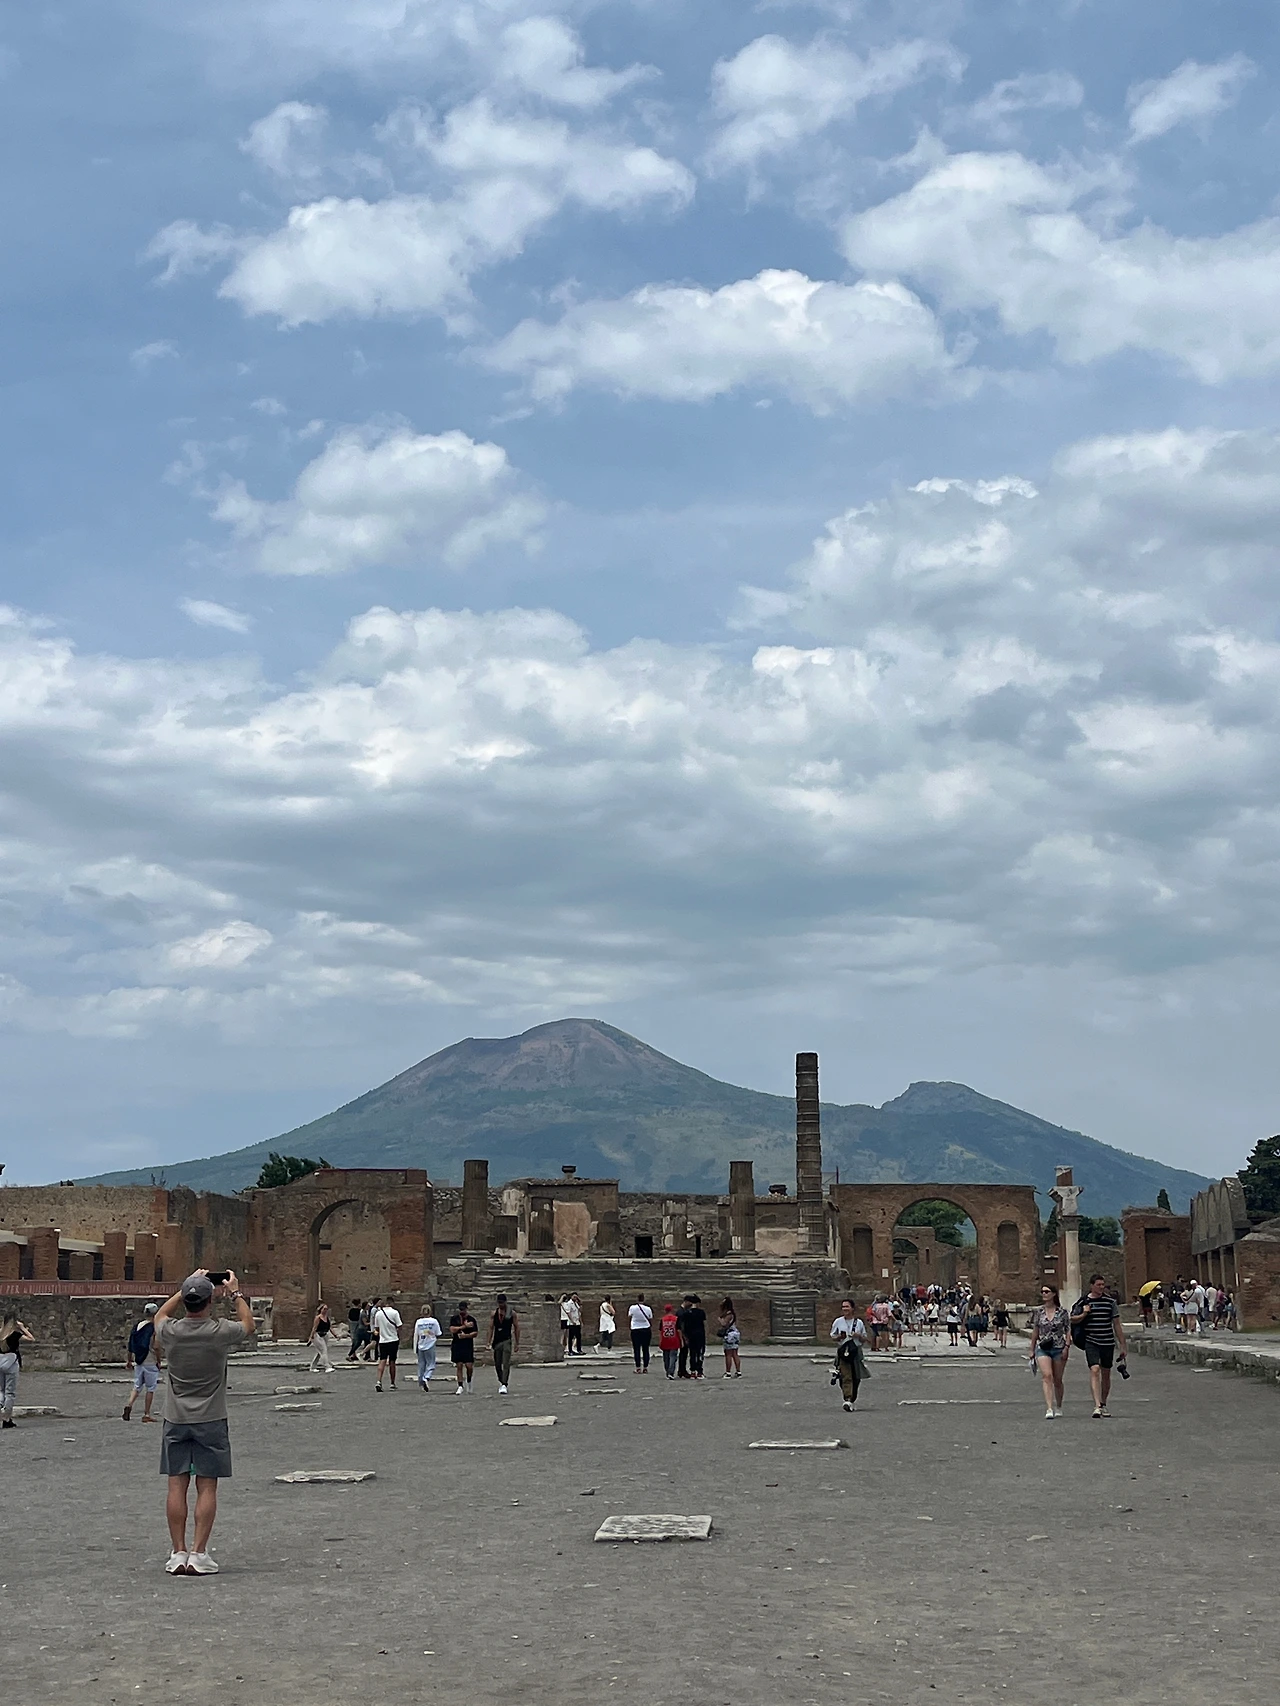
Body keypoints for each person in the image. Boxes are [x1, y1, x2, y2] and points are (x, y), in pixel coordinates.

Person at [154, 1268, 255, 1575]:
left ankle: (177, 1552)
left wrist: (186, 1286)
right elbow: (248, 1324)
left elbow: (160, 1314)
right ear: (211, 1300)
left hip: (176, 1417)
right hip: (211, 1417)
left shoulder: (171, 1332)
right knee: (207, 1486)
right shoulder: (219, 1331)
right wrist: (235, 1292)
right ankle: (198, 1553)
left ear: (186, 1300)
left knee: (176, 1484)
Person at [1071, 1273, 1128, 1419]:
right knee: (1094, 1369)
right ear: (1092, 1286)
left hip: (1107, 1341)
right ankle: (1097, 1405)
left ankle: (1103, 1403)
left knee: (1106, 1373)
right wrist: (1084, 1314)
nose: (1101, 1287)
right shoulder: (1083, 1302)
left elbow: (1116, 1324)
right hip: (1091, 1341)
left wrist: (1123, 1345)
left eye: (1103, 1285)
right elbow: (1072, 1319)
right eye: (1098, 1285)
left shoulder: (1110, 1302)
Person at [1028, 1283, 1070, 1418]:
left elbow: (1068, 1329)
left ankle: (1059, 1406)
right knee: (1047, 1376)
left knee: (1057, 1380)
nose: (1044, 1294)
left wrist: (1067, 1346)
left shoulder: (1062, 1312)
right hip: (1043, 1347)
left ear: (1053, 1294)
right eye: (1042, 1292)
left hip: (1059, 1347)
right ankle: (1049, 1408)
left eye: (1046, 1292)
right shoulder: (1038, 1312)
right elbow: (1036, 1330)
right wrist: (1032, 1348)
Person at [123, 1301, 164, 1423]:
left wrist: (129, 1360)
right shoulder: (154, 1328)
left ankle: (129, 1404)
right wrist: (158, 1361)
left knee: (137, 1386)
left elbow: (131, 1344)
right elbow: (156, 1346)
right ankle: (146, 1413)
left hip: (139, 1361)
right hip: (150, 1361)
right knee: (150, 1388)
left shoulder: (137, 1326)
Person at [830, 1299, 869, 1413]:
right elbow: (832, 1336)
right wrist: (839, 1337)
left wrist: (858, 1336)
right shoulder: (838, 1321)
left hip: (855, 1351)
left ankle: (852, 1399)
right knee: (845, 1376)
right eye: (843, 1307)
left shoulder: (859, 1323)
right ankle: (847, 1398)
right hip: (843, 1351)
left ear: (852, 1308)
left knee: (856, 1377)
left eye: (847, 1306)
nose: (844, 1309)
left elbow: (864, 1339)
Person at [0, 1313, 35, 1429]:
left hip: (0, 1362)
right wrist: (23, 1328)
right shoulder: (15, 1334)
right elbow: (31, 1339)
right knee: (10, 1392)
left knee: (1, 1390)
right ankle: (6, 1419)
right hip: (11, 1364)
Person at [488, 1294, 520, 1394]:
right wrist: (488, 1341)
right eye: (499, 1303)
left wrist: (517, 1343)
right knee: (497, 1364)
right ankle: (501, 1380)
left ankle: (504, 1383)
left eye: (502, 1303)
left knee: (506, 1363)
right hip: (497, 1341)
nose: (501, 1305)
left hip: (506, 1340)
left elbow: (516, 1327)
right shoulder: (494, 1314)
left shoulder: (511, 1313)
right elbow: (491, 1328)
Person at [371, 1295, 402, 1391]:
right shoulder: (395, 1312)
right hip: (393, 1340)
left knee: (382, 1360)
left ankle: (378, 1381)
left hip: (383, 1340)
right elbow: (399, 1325)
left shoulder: (378, 1313)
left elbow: (377, 1328)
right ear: (392, 1303)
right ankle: (392, 1383)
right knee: (392, 1361)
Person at [449, 1300, 478, 1393]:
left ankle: (469, 1380)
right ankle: (460, 1385)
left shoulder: (471, 1319)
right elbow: (452, 1329)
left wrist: (466, 1336)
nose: (462, 1311)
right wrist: (464, 1327)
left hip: (467, 1344)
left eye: (463, 1310)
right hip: (457, 1344)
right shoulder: (454, 1319)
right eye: (461, 1310)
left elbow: (475, 1333)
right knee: (459, 1365)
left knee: (469, 1366)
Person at [413, 1302, 442, 1391]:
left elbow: (416, 1334)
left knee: (421, 1364)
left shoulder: (418, 1322)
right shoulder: (434, 1321)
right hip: (430, 1344)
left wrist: (415, 1347)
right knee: (431, 1363)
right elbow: (438, 1333)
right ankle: (426, 1377)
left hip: (420, 1344)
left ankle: (421, 1379)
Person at [680, 1294, 707, 1380]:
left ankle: (692, 1372)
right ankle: (699, 1371)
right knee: (700, 1354)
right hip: (700, 1335)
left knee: (692, 1354)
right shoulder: (701, 1312)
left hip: (690, 1336)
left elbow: (684, 1326)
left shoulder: (686, 1313)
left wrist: (685, 1336)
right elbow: (704, 1324)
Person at [628, 1294, 653, 1372]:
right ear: (644, 1299)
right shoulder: (648, 1308)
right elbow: (650, 1317)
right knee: (646, 1349)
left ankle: (638, 1368)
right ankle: (645, 1367)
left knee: (636, 1349)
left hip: (635, 1329)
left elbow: (629, 1316)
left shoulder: (632, 1308)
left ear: (637, 1299)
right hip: (646, 1329)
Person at [718, 1297, 742, 1378]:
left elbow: (724, 1324)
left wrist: (720, 1320)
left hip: (729, 1335)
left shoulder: (728, 1314)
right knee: (735, 1353)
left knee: (728, 1354)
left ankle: (728, 1372)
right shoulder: (732, 1313)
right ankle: (738, 1371)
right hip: (735, 1334)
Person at [308, 1302, 335, 1373]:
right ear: (321, 1309)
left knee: (319, 1352)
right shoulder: (318, 1318)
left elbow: (330, 1327)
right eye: (324, 1309)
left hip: (325, 1335)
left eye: (326, 1309)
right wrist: (311, 1337)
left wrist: (335, 1335)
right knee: (323, 1351)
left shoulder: (327, 1318)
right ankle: (327, 1367)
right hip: (317, 1335)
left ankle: (312, 1367)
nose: (325, 1310)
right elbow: (314, 1328)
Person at [659, 1302, 681, 1379]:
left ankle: (667, 1370)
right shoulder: (676, 1319)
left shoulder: (662, 1319)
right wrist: (681, 1340)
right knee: (673, 1357)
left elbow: (660, 1331)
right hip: (674, 1339)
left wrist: (660, 1340)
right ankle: (671, 1372)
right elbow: (678, 1330)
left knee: (666, 1357)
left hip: (665, 1339)